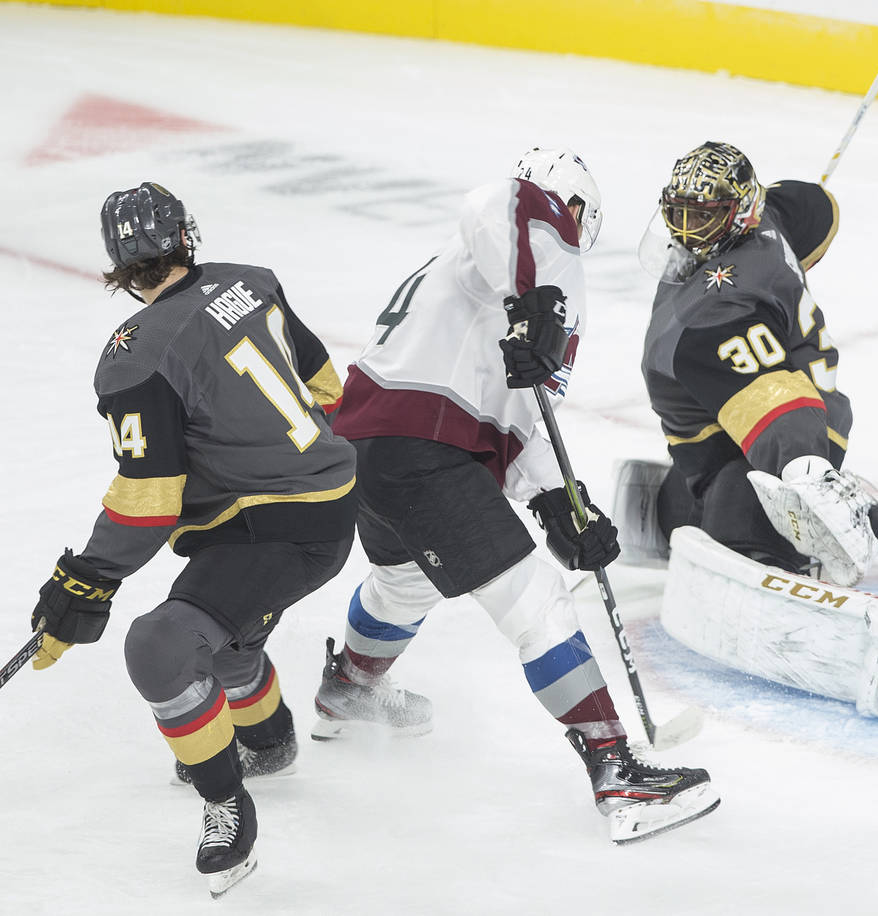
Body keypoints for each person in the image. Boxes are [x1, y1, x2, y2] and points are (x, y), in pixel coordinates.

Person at [312, 147, 720, 844]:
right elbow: (502, 200)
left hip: (367, 446)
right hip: (420, 448)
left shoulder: (480, 279)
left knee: (405, 582)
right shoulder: (527, 229)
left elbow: (515, 414)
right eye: (572, 216)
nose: (572, 231)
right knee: (536, 605)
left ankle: (351, 685)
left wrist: (560, 498)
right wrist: (543, 302)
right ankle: (618, 771)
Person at [28, 182, 357, 896]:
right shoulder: (252, 280)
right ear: (185, 237)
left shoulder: (134, 355)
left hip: (273, 530)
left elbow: (149, 504)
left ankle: (226, 803)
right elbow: (328, 387)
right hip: (322, 510)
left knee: (163, 644)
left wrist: (84, 580)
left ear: (118, 264)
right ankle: (268, 743)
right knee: (225, 625)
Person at [620, 140, 878, 722]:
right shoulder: (770, 217)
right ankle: (705, 503)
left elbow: (783, 424)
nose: (687, 232)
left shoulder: (718, 321)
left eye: (703, 216)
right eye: (678, 213)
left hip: (781, 441)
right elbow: (818, 207)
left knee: (746, 511)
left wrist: (811, 498)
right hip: (775, 413)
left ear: (737, 211)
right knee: (727, 471)